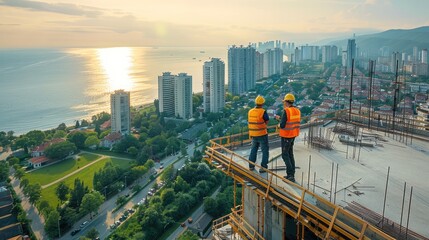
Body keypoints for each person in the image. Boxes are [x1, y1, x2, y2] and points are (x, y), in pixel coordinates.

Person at [276, 93, 301, 182]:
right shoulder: (297, 110)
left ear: (286, 102)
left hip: (286, 135)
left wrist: (279, 124)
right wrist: (281, 119)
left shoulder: (286, 111)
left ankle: (290, 175)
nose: (284, 104)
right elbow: (291, 121)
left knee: (284, 155)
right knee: (290, 154)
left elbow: (282, 125)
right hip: (293, 135)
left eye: (284, 102)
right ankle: (291, 174)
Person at [248, 95, 269, 173]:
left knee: (253, 149)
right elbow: (266, 121)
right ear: (262, 103)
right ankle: (263, 167)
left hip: (253, 134)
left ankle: (251, 166)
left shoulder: (250, 111)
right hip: (262, 134)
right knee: (265, 151)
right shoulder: (263, 111)